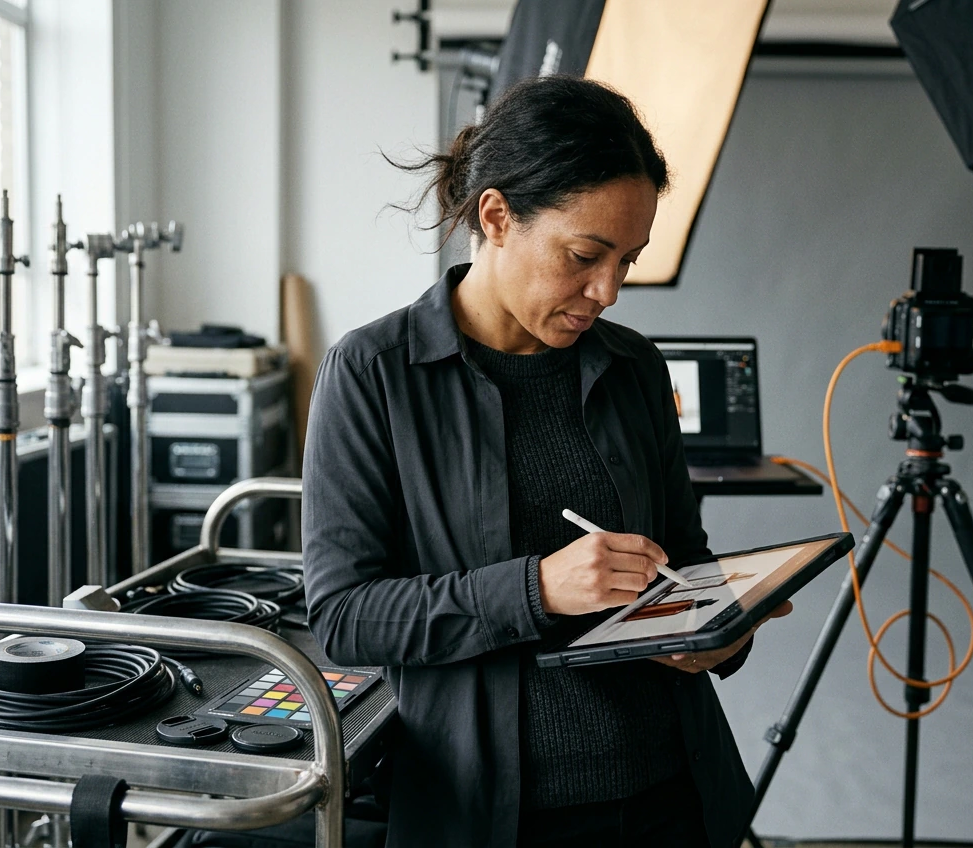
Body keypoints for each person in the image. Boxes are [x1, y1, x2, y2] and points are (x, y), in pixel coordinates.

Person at [302, 75, 791, 848]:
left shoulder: (634, 368)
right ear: (496, 216)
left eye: (628, 260)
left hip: (674, 795)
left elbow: (683, 560)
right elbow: (344, 617)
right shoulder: (373, 373)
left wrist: (721, 629)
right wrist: (537, 589)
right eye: (585, 256)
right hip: (491, 817)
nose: (609, 291)